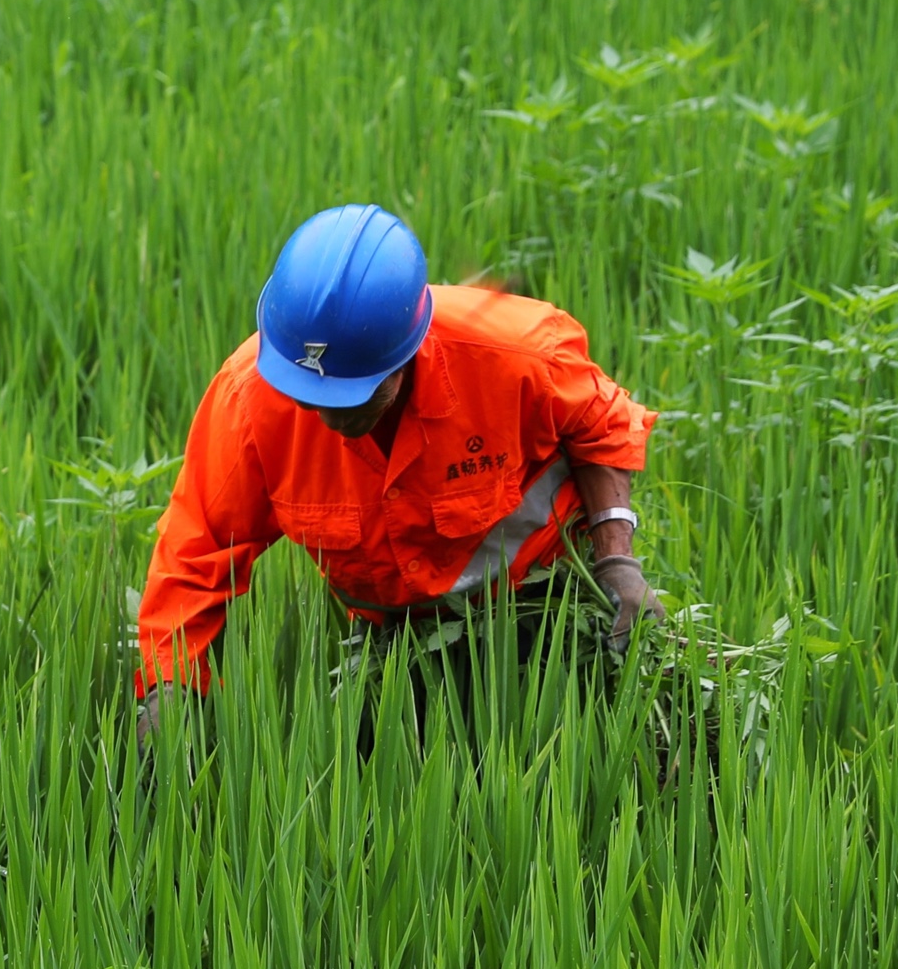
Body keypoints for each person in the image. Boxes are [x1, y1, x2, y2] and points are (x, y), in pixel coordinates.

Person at [136, 203, 660, 729]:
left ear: (406, 354)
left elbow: (604, 424)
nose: (326, 414)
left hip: (546, 607)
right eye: (308, 393)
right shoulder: (249, 401)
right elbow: (197, 548)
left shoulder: (516, 355)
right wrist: (170, 687)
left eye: (352, 395)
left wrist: (617, 561)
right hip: (396, 638)